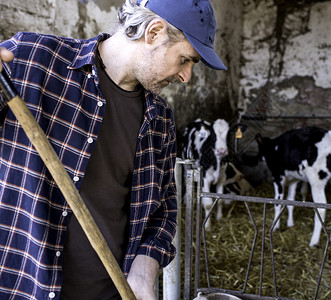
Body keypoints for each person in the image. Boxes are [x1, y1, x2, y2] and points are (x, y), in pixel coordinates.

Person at [0, 0, 226, 299]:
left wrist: (144, 271)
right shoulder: (31, 60)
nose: (186, 77)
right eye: (186, 59)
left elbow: (163, 207)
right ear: (154, 32)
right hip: (23, 285)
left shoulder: (160, 119)